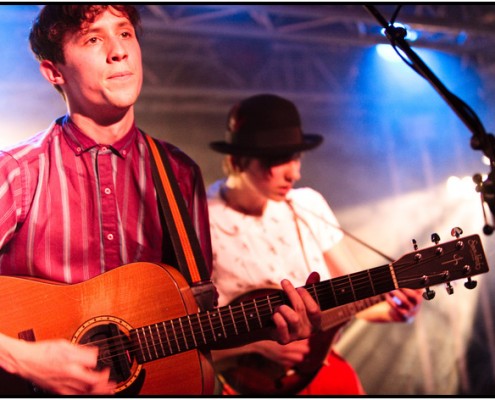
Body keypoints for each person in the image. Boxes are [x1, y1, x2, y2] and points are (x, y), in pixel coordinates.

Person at [0, 6, 322, 396]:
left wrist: (265, 328)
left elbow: (194, 323)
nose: (118, 51)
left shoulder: (178, 174)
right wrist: (22, 358)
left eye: (125, 33)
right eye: (93, 39)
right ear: (54, 71)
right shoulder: (17, 171)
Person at [207, 93, 424, 395]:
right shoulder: (201, 218)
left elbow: (350, 298)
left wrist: (391, 308)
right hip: (244, 384)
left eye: (295, 157)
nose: (293, 172)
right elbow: (187, 337)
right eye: (277, 160)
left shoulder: (308, 203)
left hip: (320, 374)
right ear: (237, 160)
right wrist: (260, 344)